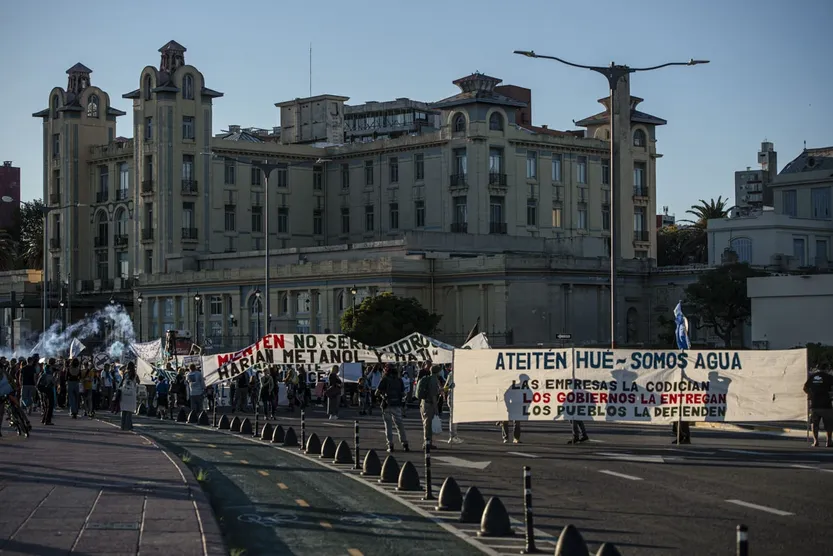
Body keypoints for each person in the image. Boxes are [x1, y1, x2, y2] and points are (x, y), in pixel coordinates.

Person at [375, 364, 409, 452]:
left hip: (387, 405)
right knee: (400, 425)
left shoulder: (384, 379)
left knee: (388, 426)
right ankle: (405, 443)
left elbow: (377, 392)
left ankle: (390, 445)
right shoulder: (399, 380)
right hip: (397, 404)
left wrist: (382, 396)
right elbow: (403, 393)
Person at [804, 364, 833, 448]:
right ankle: (829, 441)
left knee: (814, 423)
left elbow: (805, 388)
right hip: (826, 404)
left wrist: (810, 395)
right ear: (826, 369)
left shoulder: (813, 377)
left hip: (815, 404)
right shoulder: (829, 377)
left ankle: (816, 441)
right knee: (829, 424)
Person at [416, 365, 442, 450]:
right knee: (428, 425)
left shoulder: (430, 378)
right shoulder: (433, 380)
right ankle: (427, 443)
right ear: (437, 372)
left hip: (424, 403)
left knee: (427, 424)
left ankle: (428, 442)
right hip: (429, 404)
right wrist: (436, 409)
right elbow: (433, 396)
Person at [444, 367, 462, 444]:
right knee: (453, 417)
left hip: (455, 396)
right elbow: (445, 387)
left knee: (454, 417)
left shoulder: (453, 374)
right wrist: (451, 386)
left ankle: (454, 436)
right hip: (453, 397)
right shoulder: (452, 374)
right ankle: (453, 436)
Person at [119, 363, 138, 431]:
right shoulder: (135, 374)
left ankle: (122, 425)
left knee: (124, 410)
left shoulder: (125, 373)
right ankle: (128, 426)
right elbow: (138, 381)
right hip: (131, 393)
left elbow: (121, 381)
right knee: (129, 411)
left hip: (124, 392)